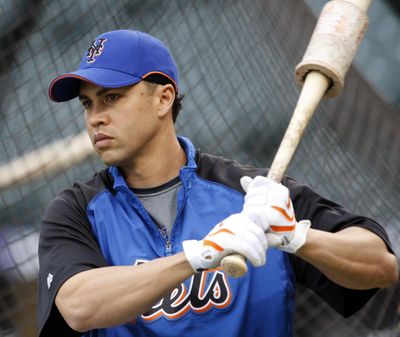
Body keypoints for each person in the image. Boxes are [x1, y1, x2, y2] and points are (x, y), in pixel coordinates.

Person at [38, 29, 398, 337]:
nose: (95, 118)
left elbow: (381, 266)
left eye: (112, 98)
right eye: (87, 104)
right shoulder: (77, 210)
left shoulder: (252, 192)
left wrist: (297, 238)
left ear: (164, 98)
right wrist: (199, 256)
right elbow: (78, 306)